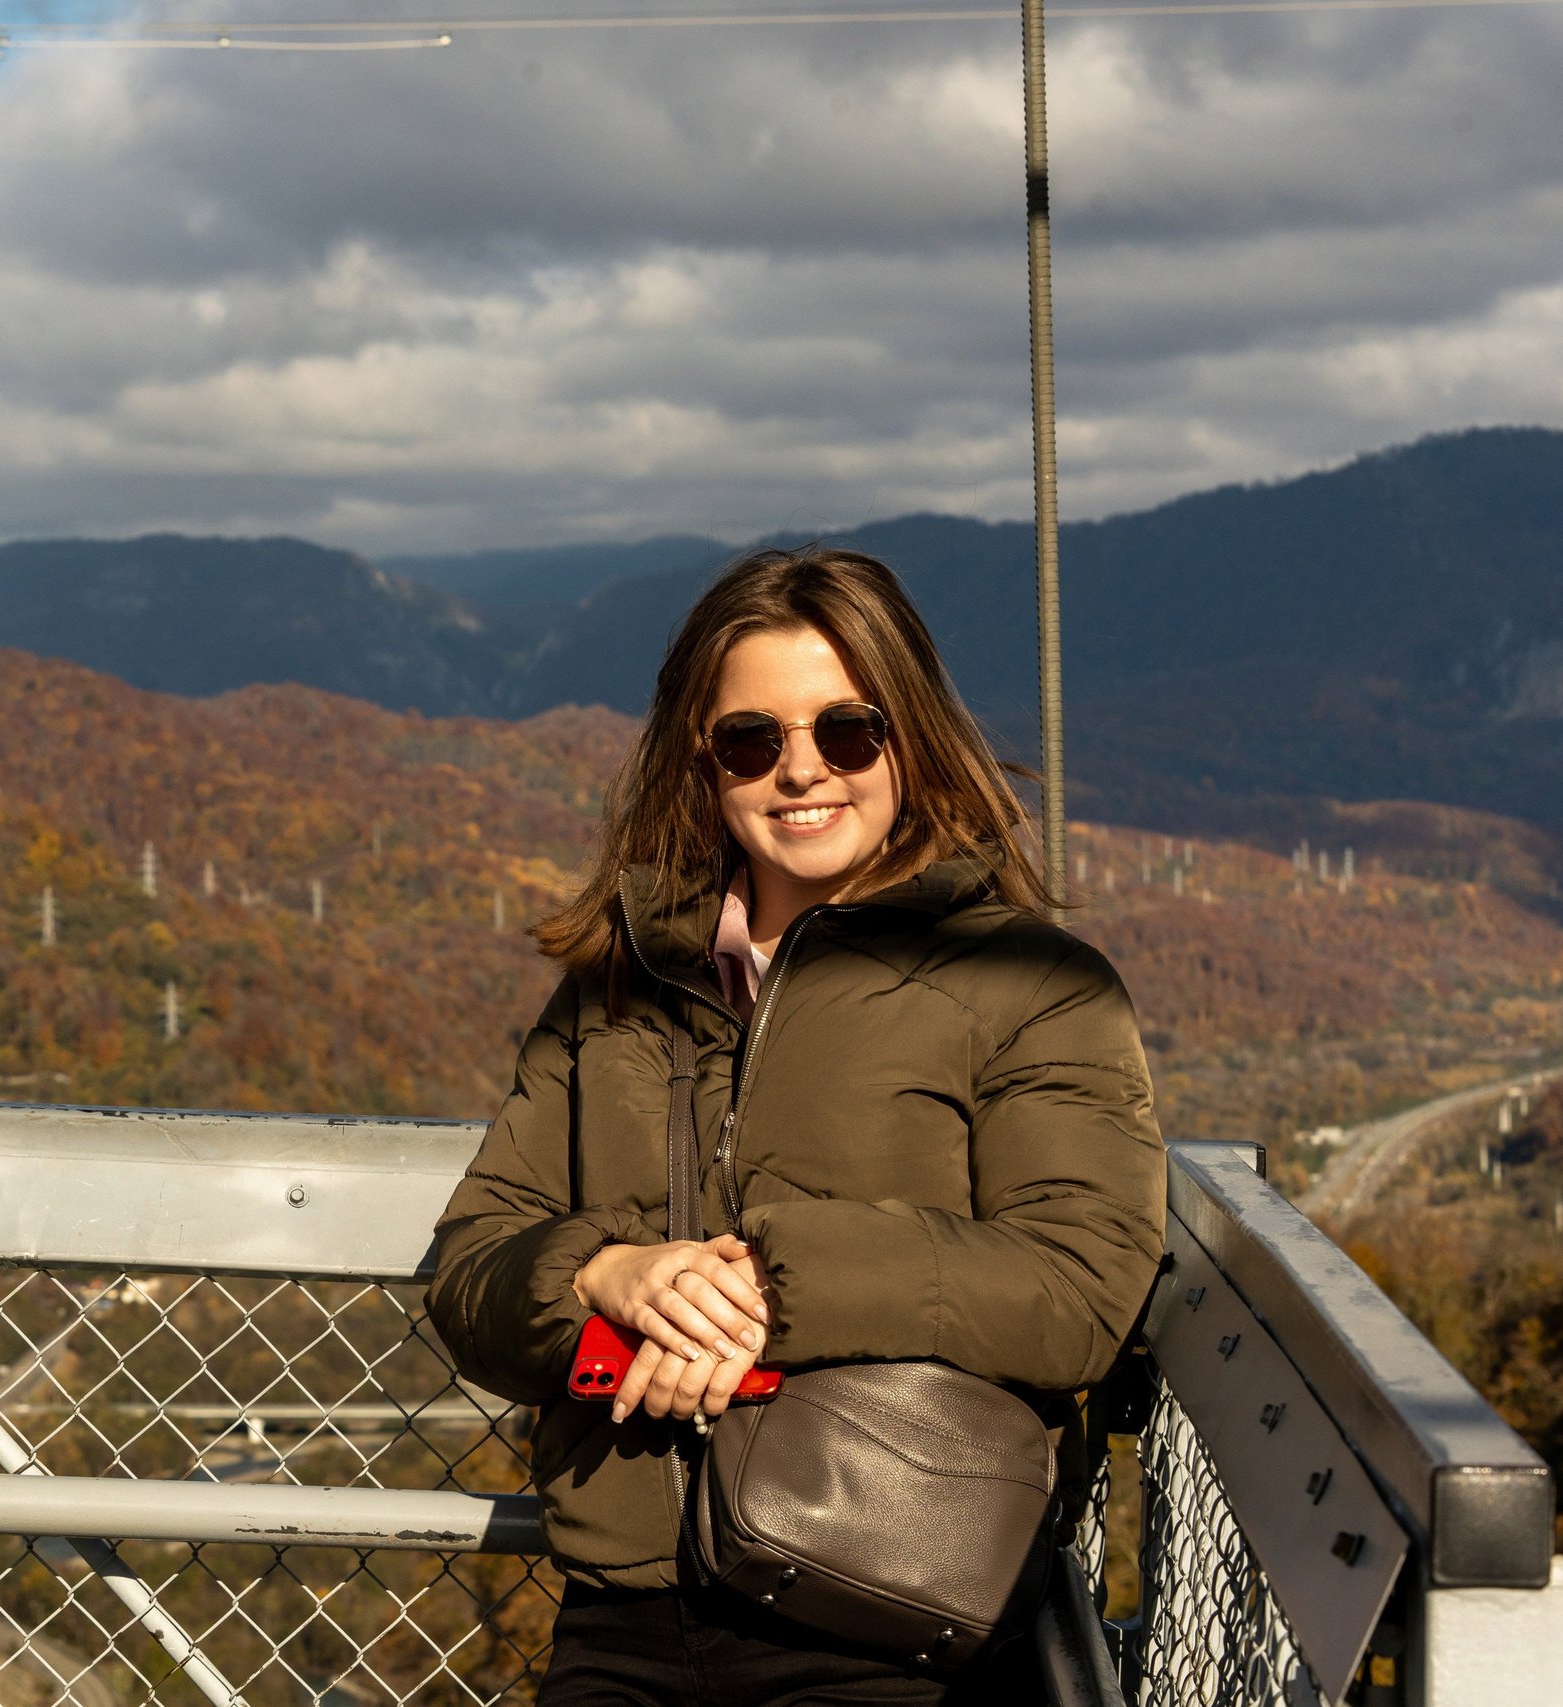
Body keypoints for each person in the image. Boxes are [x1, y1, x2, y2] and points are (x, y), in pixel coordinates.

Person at [425, 546, 1165, 1706]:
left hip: (891, 1607)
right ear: (701, 759)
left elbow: (1078, 1287)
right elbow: (468, 1268)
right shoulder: (619, 988)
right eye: (752, 740)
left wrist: (771, 1286)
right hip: (623, 1611)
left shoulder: (1030, 983)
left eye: (849, 731)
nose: (801, 772)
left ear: (909, 736)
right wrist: (611, 1278)